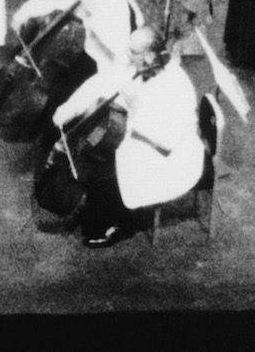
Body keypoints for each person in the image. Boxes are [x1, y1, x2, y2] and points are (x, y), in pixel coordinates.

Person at [49, 27, 210, 247]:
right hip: (137, 137)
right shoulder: (138, 64)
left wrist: (136, 112)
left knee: (104, 172)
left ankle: (124, 223)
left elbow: (166, 139)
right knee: (100, 154)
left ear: (150, 56)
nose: (126, 56)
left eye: (132, 52)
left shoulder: (177, 86)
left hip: (169, 155)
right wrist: (69, 109)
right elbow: (100, 82)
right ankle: (98, 209)